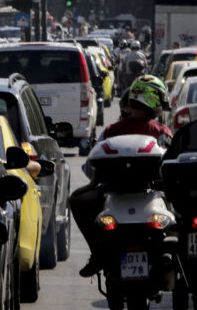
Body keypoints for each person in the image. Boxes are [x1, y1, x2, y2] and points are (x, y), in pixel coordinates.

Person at [71, 75, 173, 277]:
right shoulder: (162, 131)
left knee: (75, 200)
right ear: (152, 99)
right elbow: (172, 167)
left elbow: (90, 169)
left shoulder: (111, 130)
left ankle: (97, 253)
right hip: (153, 196)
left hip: (113, 194)